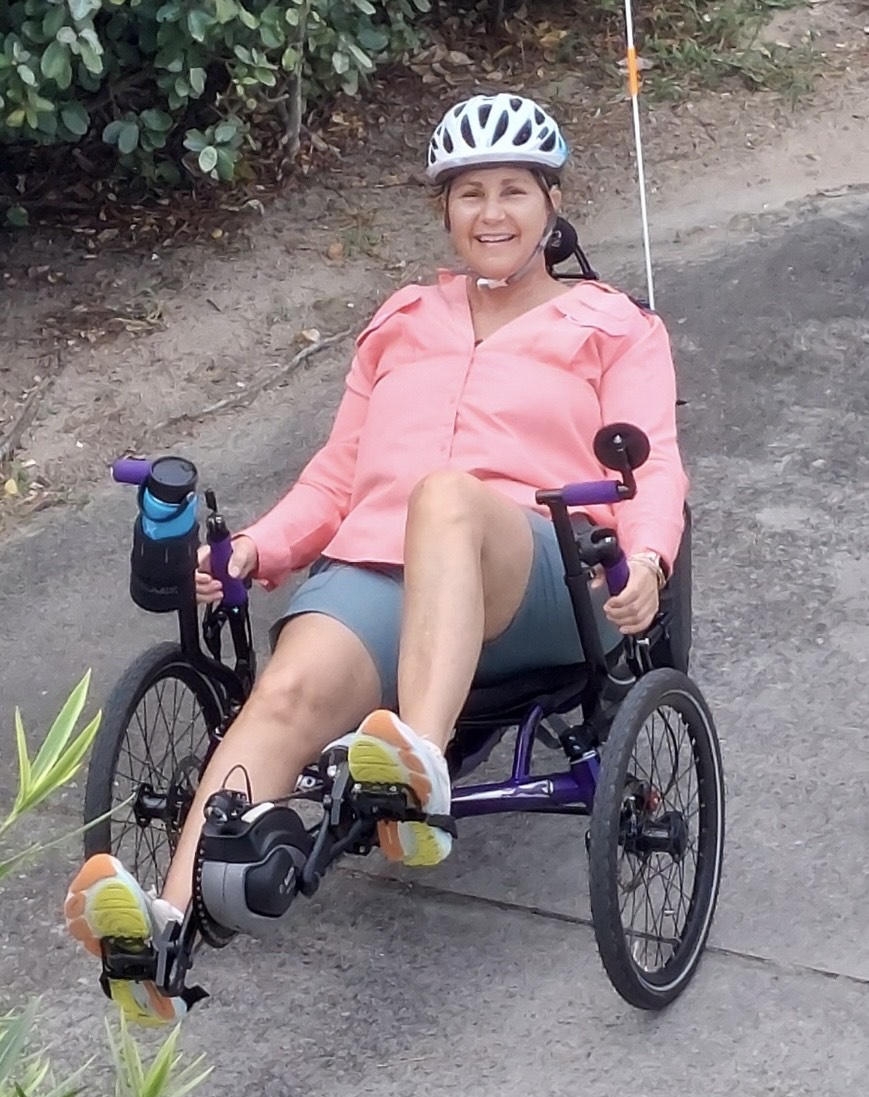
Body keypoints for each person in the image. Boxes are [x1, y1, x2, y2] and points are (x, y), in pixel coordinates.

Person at [64, 92, 688, 1026]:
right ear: (443, 210)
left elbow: (657, 466)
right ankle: (163, 931)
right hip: (382, 572)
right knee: (282, 691)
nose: (491, 213)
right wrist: (257, 551)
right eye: (469, 193)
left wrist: (644, 564)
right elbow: (338, 476)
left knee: (445, 494)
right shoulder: (401, 321)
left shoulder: (610, 326)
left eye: (513, 191)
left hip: (532, 574)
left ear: (551, 204)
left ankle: (418, 770)